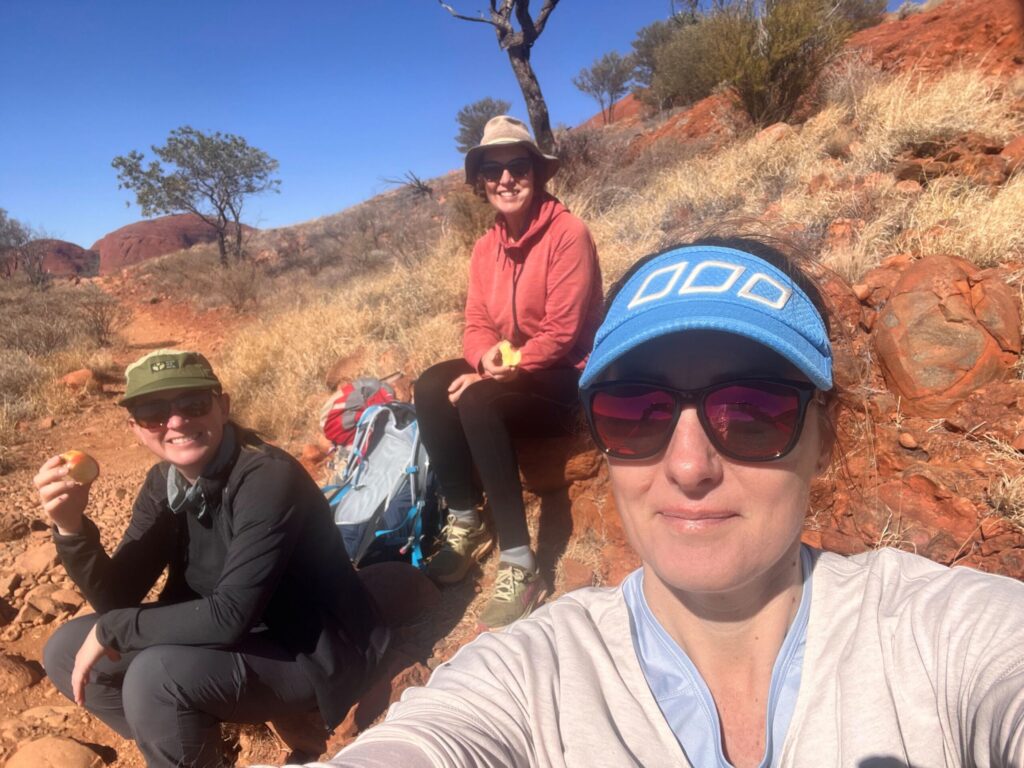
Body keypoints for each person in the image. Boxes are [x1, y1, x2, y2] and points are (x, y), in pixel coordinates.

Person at [289, 238, 1024, 767]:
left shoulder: (941, 638)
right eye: (633, 411)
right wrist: (486, 358)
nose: (687, 465)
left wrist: (513, 364)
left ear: (824, 437)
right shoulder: (530, 677)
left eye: (751, 410)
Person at [34, 349, 386, 768]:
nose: (177, 421)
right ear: (136, 428)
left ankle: (180, 731)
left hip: (309, 649)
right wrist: (71, 528)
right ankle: (185, 743)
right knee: (64, 650)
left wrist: (114, 629)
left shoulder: (266, 477)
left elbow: (228, 615)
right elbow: (116, 598)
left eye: (193, 404)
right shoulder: (163, 483)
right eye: (153, 412)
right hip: (224, 638)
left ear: (223, 407)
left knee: (155, 677)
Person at [414, 115, 603, 630]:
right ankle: (466, 520)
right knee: (430, 386)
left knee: (477, 400)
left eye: (516, 166)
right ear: (481, 182)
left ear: (536, 173)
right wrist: (483, 359)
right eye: (491, 170)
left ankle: (522, 564)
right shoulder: (484, 248)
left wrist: (500, 370)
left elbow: (562, 335)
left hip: (565, 378)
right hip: (513, 371)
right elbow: (475, 322)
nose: (504, 179)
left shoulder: (569, 234)